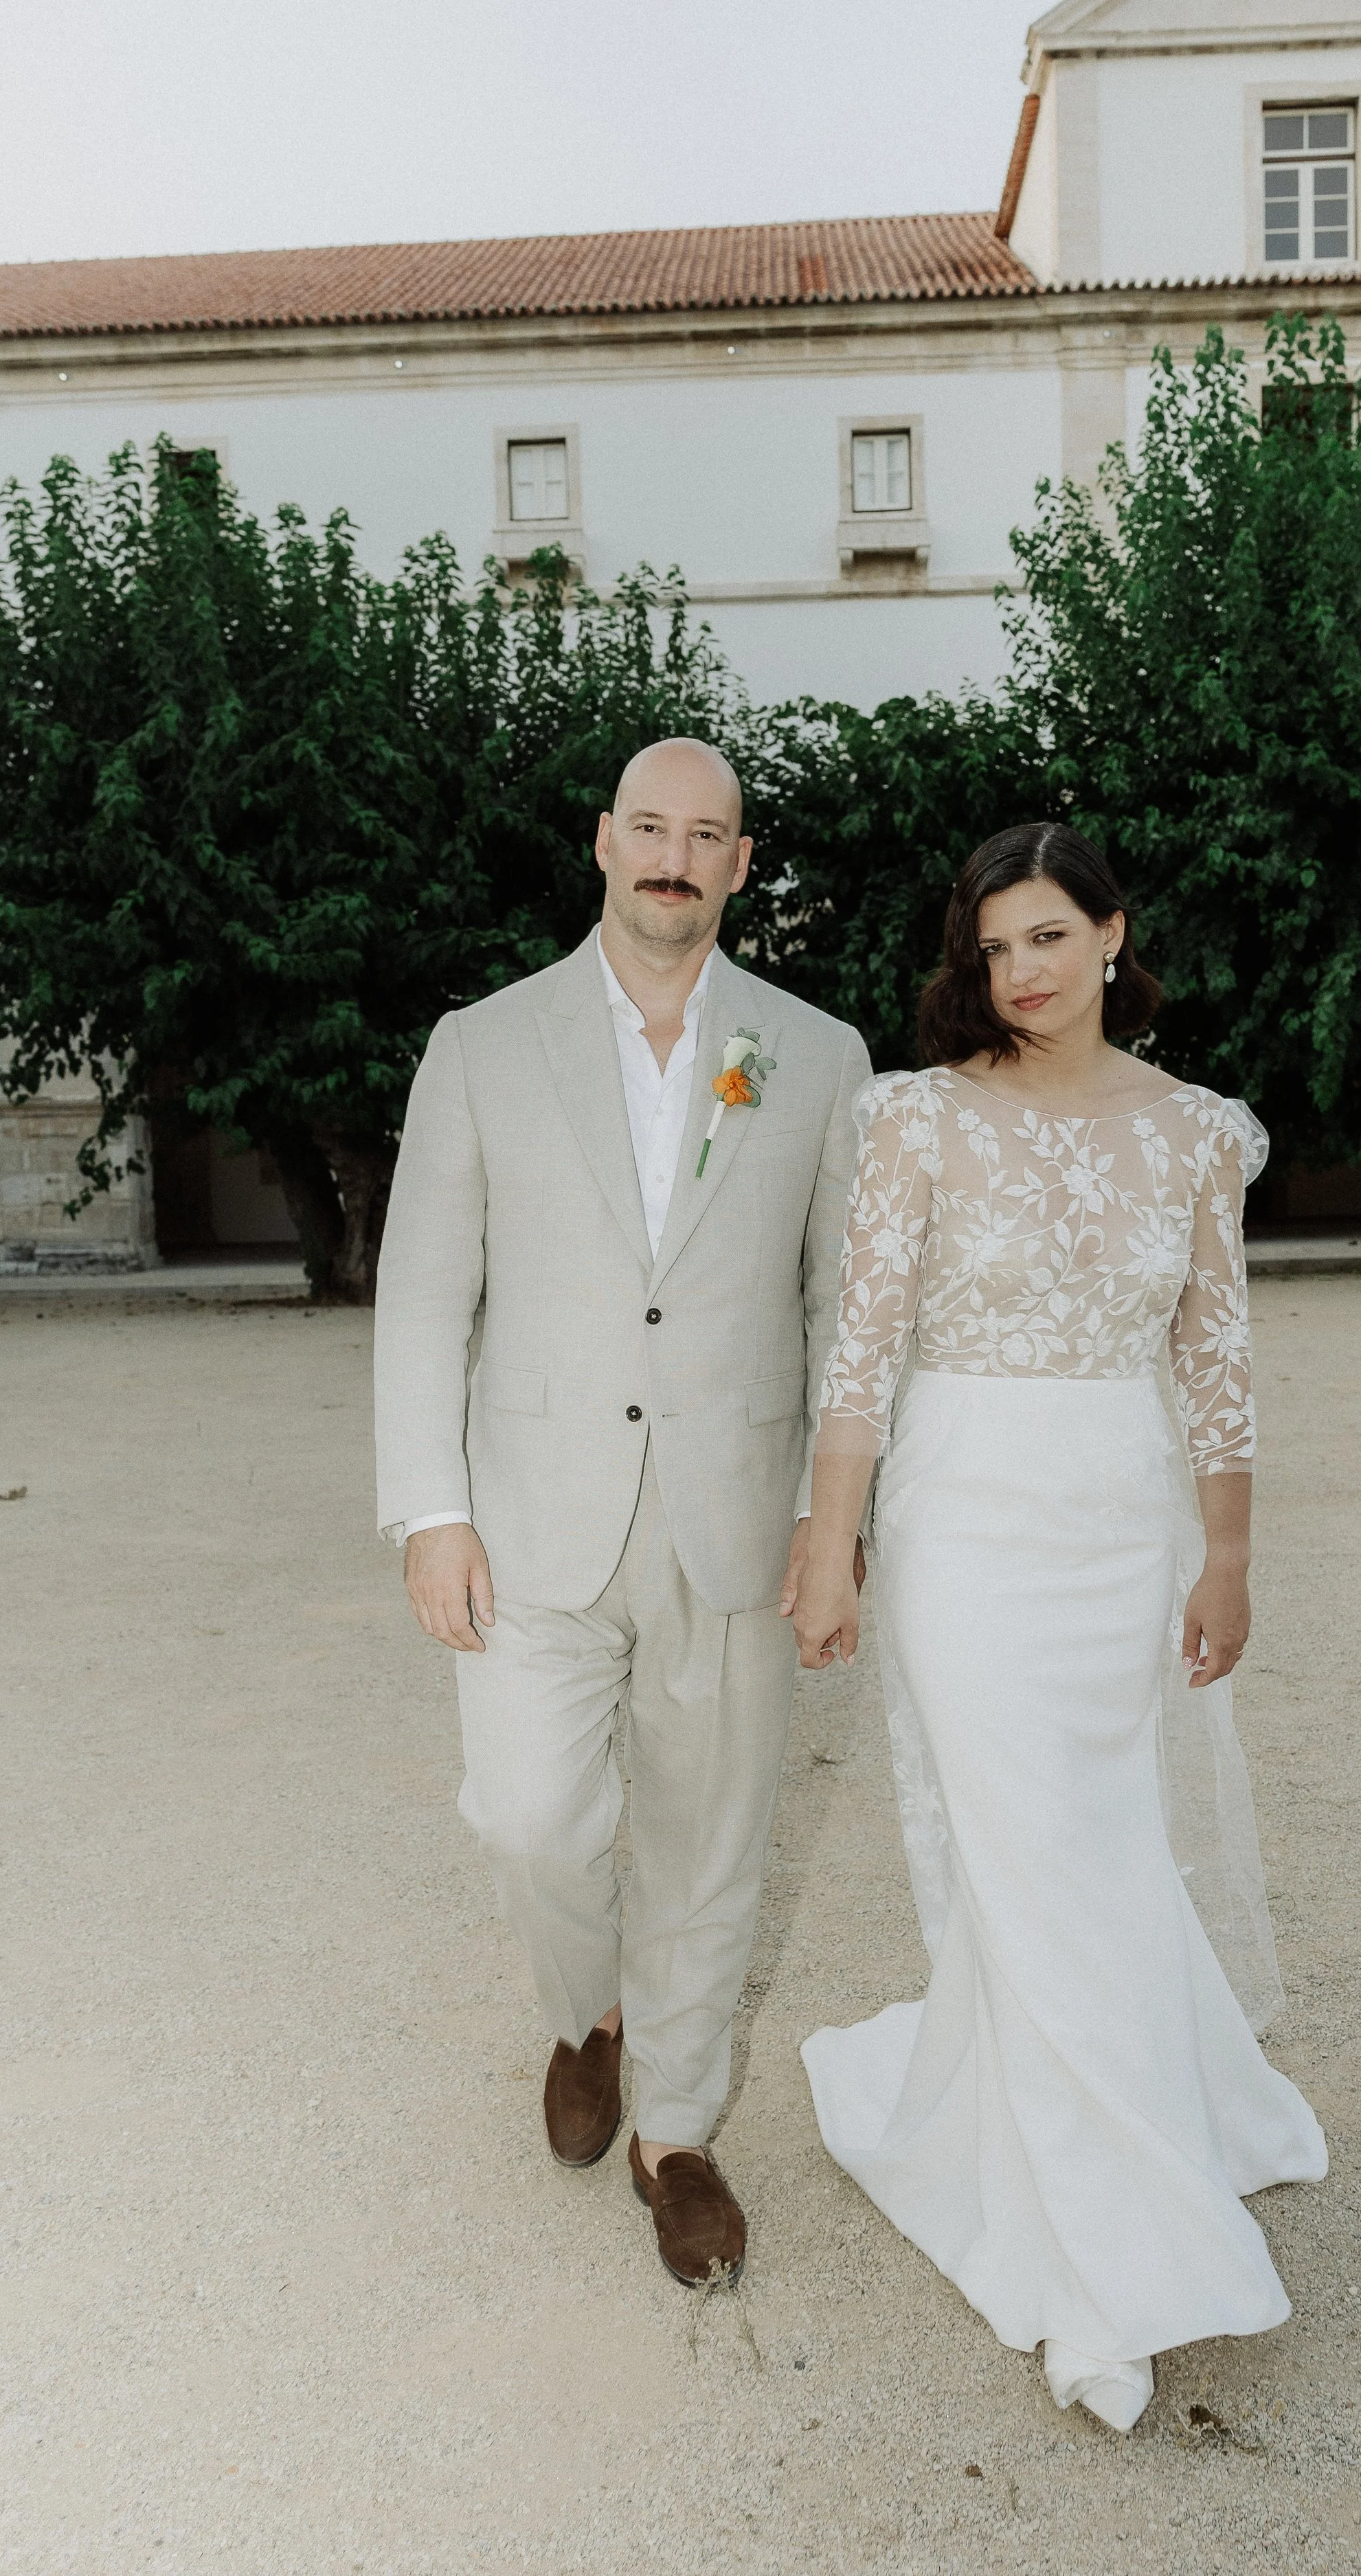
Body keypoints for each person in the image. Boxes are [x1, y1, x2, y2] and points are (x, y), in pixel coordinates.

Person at [791, 821, 1326, 2430]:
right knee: (1026, 1854)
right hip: (962, 1519)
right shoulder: (919, 1118)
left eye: (1045, 937)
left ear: (1110, 934)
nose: (1018, 972)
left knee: (1094, 1849)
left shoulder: (1195, 1134)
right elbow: (859, 1351)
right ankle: (1104, 2267)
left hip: (1115, 1519)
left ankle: (1115, 2119)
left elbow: (1214, 1359)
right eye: (993, 947)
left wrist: (1225, 1559)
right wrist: (830, 1543)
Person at [374, 737, 869, 2284]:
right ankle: (585, 2009)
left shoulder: (815, 1054)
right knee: (530, 1817)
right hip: (531, 1514)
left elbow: (846, 1307)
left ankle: (678, 2131)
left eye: (705, 836)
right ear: (603, 842)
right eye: (649, 828)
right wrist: (429, 1511)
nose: (673, 857)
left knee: (712, 1836)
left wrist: (831, 1518)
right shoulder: (482, 1044)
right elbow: (423, 1291)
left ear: (739, 864)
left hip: (738, 1515)